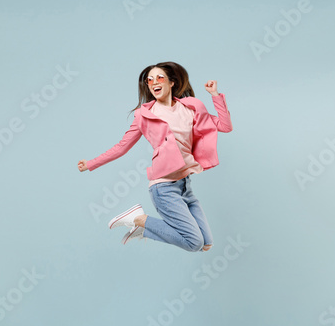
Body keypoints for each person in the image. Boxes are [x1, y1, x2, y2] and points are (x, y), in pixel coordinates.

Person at [78, 61, 233, 252]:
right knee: (194, 243)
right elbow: (122, 147)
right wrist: (91, 163)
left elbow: (225, 126)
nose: (153, 83)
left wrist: (215, 96)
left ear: (172, 82)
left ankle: (143, 229)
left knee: (206, 245)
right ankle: (140, 220)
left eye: (159, 78)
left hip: (185, 185)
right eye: (149, 80)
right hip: (164, 187)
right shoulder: (144, 114)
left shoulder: (191, 108)